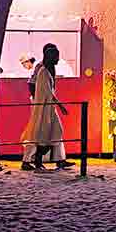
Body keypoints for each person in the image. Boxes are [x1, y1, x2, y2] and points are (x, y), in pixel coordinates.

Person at [23, 44, 68, 172]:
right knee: (39, 133)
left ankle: (59, 160)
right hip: (43, 105)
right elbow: (45, 90)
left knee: (53, 132)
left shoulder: (49, 69)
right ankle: (31, 160)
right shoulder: (42, 69)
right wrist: (39, 102)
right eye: (56, 56)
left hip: (49, 105)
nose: (58, 59)